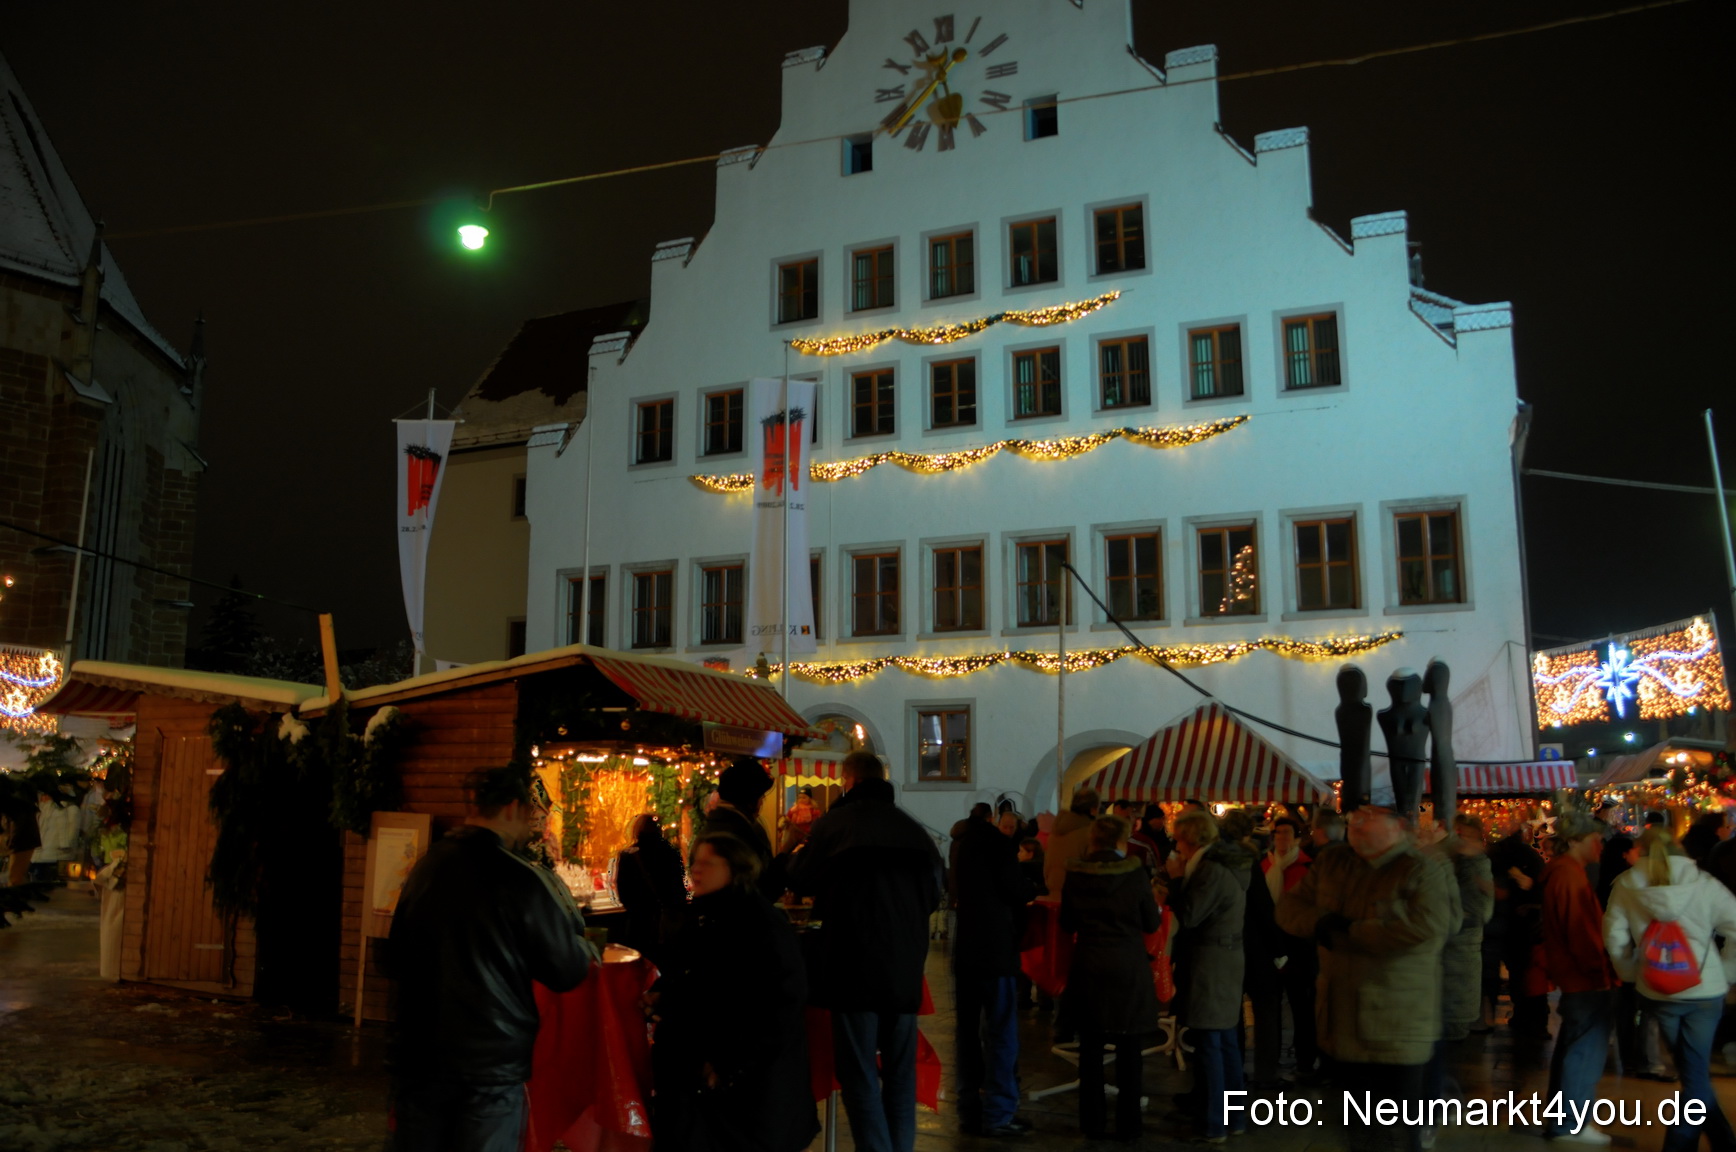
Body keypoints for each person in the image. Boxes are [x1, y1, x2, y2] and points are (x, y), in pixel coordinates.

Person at [384, 766, 596, 1152]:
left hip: (420, 1055)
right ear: (514, 807)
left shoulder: (425, 870)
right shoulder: (521, 880)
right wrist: (583, 947)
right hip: (492, 1062)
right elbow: (566, 970)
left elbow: (394, 957)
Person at [789, 752, 942, 1152]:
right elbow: (934, 894)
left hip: (852, 962)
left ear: (849, 782)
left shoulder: (837, 824)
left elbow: (800, 876)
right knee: (899, 1073)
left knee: (858, 1073)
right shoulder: (913, 829)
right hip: (905, 967)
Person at [1277, 806, 1453, 1152]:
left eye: (1369, 817)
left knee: (1394, 1134)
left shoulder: (1420, 870)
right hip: (1340, 1022)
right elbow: (1289, 907)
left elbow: (1428, 928)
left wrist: (1349, 932)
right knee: (1356, 1129)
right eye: (1354, 817)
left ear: (1398, 826)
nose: (1356, 824)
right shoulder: (1333, 863)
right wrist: (1320, 923)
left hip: (1396, 1025)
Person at [650, 832, 817, 1152]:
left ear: (736, 869)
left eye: (708, 863)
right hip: (704, 1093)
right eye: (695, 861)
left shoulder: (759, 925)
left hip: (746, 1098)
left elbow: (776, 1006)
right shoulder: (704, 918)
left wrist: (727, 1065)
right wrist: (664, 995)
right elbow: (695, 980)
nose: (696, 870)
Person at [1606, 827, 1736, 1152]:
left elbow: (1615, 935)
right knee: (1694, 1074)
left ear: (1641, 851)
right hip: (1705, 991)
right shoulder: (1704, 885)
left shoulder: (1626, 885)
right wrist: (1726, 969)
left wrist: (1631, 971)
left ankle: (1721, 1142)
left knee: (1691, 1071)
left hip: (1658, 991)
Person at [1064, 815, 1162, 1141]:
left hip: (1089, 964)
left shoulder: (1076, 873)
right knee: (1129, 1047)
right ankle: (1129, 1124)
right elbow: (1150, 923)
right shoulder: (1135, 873)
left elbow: (1066, 922)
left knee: (1090, 1047)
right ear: (1122, 840)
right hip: (1127, 966)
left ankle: (1091, 1122)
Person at [951, 801, 1038, 1135]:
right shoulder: (997, 846)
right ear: (993, 820)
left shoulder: (960, 845)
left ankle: (968, 1107)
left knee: (967, 1032)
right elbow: (1014, 889)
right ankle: (999, 1112)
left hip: (967, 947)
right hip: (996, 948)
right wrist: (1028, 888)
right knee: (1001, 1031)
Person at [1168, 810, 1247, 1144]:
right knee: (1225, 1039)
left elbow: (1190, 914)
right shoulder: (1224, 864)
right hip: (1224, 959)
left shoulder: (1209, 870)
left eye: (1177, 838)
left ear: (1189, 839)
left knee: (1211, 1042)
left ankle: (1214, 1122)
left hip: (1211, 961)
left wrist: (1173, 881)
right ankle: (1235, 1117)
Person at [1538, 813, 1617, 1142]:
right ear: (1574, 841)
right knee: (1584, 1048)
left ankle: (1564, 1120)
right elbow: (1579, 932)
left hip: (1576, 974)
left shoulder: (1565, 874)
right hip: (1584, 977)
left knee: (1574, 1046)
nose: (1600, 846)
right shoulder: (1570, 877)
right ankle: (1571, 1123)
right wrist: (1598, 970)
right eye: (1593, 839)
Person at [1260, 816, 1317, 1079]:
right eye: (1277, 832)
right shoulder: (1264, 866)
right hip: (1269, 945)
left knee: (1300, 1006)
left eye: (1286, 833)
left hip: (1297, 947)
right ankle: (1270, 1062)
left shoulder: (1305, 867)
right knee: (1270, 1006)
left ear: (1296, 837)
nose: (1281, 837)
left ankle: (1305, 1058)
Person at [1488, 822, 1547, 1039]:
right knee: (1528, 974)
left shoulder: (1499, 857)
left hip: (1512, 922)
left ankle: (1525, 1016)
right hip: (1525, 924)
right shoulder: (1529, 856)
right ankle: (1534, 1019)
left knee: (1518, 972)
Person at [614, 813, 687, 966]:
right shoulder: (672, 852)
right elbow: (679, 888)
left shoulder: (629, 855)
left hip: (640, 923)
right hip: (669, 921)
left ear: (636, 830)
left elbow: (624, 892)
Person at [703, 758, 781, 898]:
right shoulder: (744, 831)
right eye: (760, 796)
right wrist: (785, 851)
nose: (762, 802)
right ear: (750, 799)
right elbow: (765, 887)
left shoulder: (713, 824)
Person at [1043, 788, 1099, 901]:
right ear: (1093, 809)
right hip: (1079, 895)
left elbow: (1047, 864)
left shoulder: (1055, 832)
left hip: (1054, 888)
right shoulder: (1090, 833)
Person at [1110, 799, 1156, 873]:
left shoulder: (1144, 843)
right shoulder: (1105, 842)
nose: (1122, 822)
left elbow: (1155, 871)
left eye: (1127, 818)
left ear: (1133, 818)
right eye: (1118, 818)